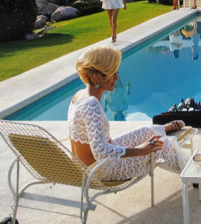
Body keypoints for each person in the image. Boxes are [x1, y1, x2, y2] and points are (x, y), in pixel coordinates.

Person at [68, 46, 189, 181]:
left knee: (146, 131)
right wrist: (141, 151)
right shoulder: (92, 104)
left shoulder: (78, 96)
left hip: (88, 165)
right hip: (100, 170)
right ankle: (193, 174)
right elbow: (100, 151)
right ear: (99, 76)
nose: (116, 78)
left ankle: (163, 128)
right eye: (113, 73)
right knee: (162, 145)